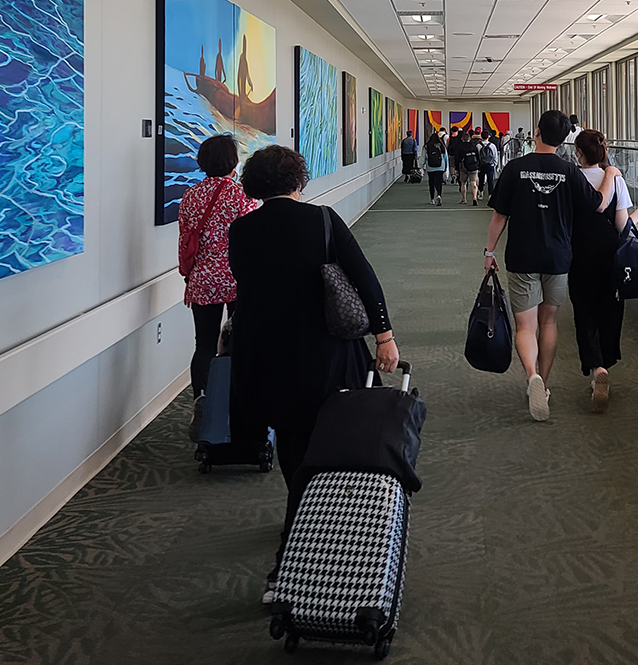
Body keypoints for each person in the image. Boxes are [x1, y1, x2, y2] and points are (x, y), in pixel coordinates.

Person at [227, 145, 401, 603]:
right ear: (298, 180)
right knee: (336, 443)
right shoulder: (322, 220)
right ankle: (297, 554)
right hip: (326, 353)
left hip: (267, 357)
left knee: (293, 445)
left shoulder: (241, 230)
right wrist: (384, 336)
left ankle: (305, 514)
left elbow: (247, 288)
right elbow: (364, 279)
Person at [484, 110, 619, 421]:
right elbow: (598, 204)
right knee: (549, 323)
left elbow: (499, 216)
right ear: (563, 139)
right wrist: (610, 175)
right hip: (558, 257)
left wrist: (489, 252)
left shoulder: (515, 168)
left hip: (522, 256)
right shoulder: (570, 171)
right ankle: (543, 384)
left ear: (537, 133)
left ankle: (531, 375)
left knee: (525, 326)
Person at [179, 135, 261, 438]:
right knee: (242, 341)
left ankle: (202, 400)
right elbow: (253, 237)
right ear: (233, 162)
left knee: (204, 344)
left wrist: (189, 274)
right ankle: (239, 401)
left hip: (202, 279)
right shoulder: (241, 195)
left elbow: (185, 240)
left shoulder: (191, 195)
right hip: (238, 278)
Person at [569, 130, 638, 413]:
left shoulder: (572, 179)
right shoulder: (615, 179)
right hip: (610, 257)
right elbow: (622, 225)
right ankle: (606, 361)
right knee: (609, 311)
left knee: (584, 312)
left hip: (579, 255)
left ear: (579, 153)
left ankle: (596, 368)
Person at [424, 131, 448, 206]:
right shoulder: (442, 146)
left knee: (431, 183)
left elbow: (423, 157)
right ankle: (439, 195)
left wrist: (421, 166)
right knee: (439, 182)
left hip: (430, 167)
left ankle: (432, 199)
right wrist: (446, 166)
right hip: (440, 166)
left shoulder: (427, 146)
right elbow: (445, 157)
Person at [458, 132, 481, 205]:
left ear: (462, 139)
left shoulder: (460, 147)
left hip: (464, 167)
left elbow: (458, 158)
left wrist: (457, 168)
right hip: (473, 167)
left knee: (463, 183)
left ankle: (464, 199)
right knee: (474, 183)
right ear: (469, 139)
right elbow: (478, 157)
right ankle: (474, 197)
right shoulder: (473, 147)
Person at [477, 129, 499, 198]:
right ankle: (490, 194)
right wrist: (494, 164)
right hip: (490, 165)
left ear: (481, 136)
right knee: (490, 180)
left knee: (481, 179)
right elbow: (495, 156)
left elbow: (477, 156)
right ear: (488, 137)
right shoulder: (492, 145)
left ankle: (481, 193)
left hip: (481, 165)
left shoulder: (478, 145)